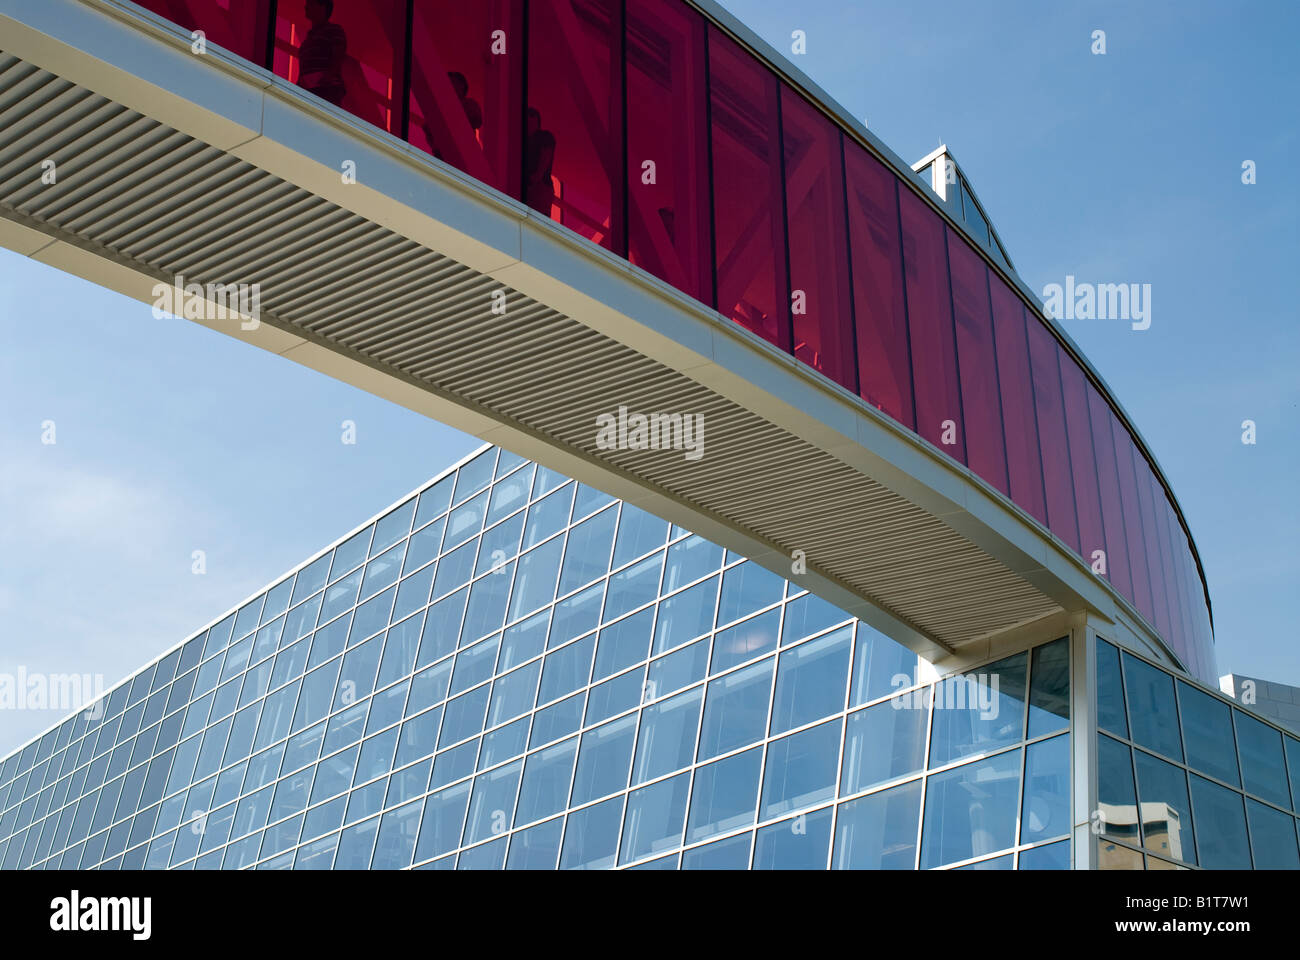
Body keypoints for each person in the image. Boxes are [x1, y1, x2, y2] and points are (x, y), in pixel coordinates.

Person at [297, 0, 347, 107]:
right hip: (309, 90)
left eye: (311, 3)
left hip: (326, 90)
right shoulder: (309, 38)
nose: (306, 7)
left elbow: (338, 56)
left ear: (322, 7)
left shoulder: (334, 30)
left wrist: (327, 78)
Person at [524, 107, 556, 216]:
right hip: (533, 186)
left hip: (539, 187)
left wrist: (536, 178)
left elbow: (545, 158)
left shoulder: (543, 137)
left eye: (531, 118)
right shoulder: (523, 140)